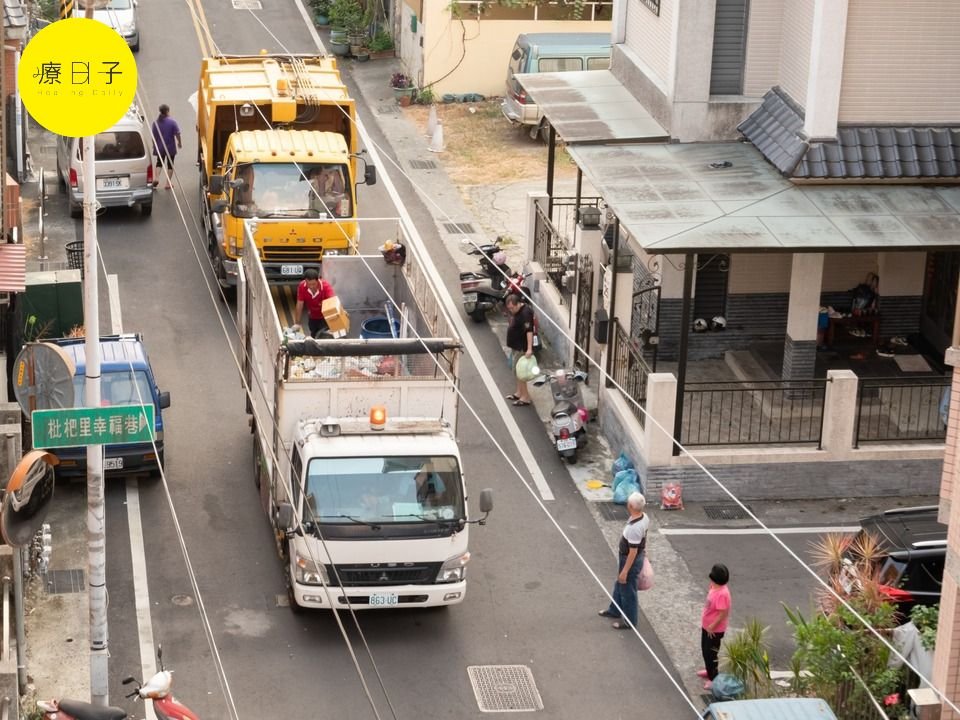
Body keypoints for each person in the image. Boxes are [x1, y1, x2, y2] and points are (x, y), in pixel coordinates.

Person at [598, 491, 649, 630]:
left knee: (628, 590)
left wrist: (625, 571)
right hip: (632, 557)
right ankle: (614, 610)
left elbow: (632, 552)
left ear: (631, 506)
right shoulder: (643, 517)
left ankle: (629, 621)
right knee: (620, 585)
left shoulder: (634, 528)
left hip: (629, 560)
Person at [698, 563, 732, 690]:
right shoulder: (715, 587)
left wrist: (712, 626)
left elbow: (724, 613)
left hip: (714, 630)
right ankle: (709, 670)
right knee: (705, 650)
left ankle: (713, 678)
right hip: (707, 626)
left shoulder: (722, 594)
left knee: (711, 654)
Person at [504, 293, 534, 407]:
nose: (511, 311)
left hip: (522, 347)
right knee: (516, 371)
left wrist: (529, 349)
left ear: (518, 304)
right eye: (509, 308)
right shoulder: (518, 311)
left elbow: (529, 331)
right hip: (515, 346)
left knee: (521, 373)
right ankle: (519, 393)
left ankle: (525, 397)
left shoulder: (526, 313)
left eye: (512, 308)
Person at [293, 268, 336, 338]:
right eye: (308, 284)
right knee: (314, 336)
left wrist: (334, 323)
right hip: (312, 317)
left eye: (313, 284)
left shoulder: (326, 287)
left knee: (322, 337)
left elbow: (333, 302)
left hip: (324, 318)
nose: (311, 287)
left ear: (318, 280)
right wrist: (297, 323)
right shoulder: (302, 286)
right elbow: (299, 304)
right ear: (305, 281)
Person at [151, 104, 181, 190]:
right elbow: (177, 133)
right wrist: (179, 142)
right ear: (167, 111)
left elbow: (154, 136)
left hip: (160, 147)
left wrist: (154, 145)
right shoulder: (172, 122)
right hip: (170, 147)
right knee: (170, 165)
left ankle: (156, 178)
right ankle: (168, 183)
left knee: (159, 162)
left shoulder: (155, 123)